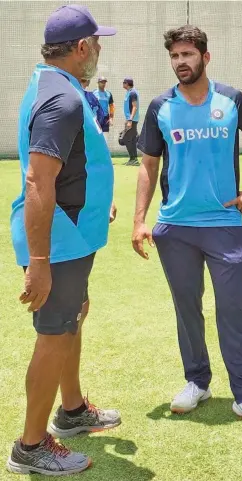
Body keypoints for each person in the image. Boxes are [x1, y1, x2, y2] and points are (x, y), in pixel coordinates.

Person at [132, 25, 242, 431]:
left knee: (233, 310)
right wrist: (139, 220)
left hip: (225, 225)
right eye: (175, 56)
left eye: (187, 55)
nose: (181, 62)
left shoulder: (230, 100)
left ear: (205, 58)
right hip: (175, 227)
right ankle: (197, 382)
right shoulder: (160, 106)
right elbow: (148, 165)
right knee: (187, 310)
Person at [8, 5, 120, 476]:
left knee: (72, 319)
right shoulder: (63, 98)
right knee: (54, 334)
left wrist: (99, 198)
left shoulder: (58, 86)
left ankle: (71, 410)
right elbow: (38, 181)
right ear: (80, 48)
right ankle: (29, 446)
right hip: (58, 241)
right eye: (96, 43)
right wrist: (39, 259)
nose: (98, 50)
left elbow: (75, 164)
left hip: (73, 233)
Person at [122, 77, 140, 166]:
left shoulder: (133, 92)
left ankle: (133, 159)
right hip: (130, 119)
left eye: (124, 82)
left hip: (132, 120)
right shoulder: (129, 92)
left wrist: (130, 120)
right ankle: (133, 159)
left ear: (127, 83)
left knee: (127, 139)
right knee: (131, 139)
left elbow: (134, 107)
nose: (123, 84)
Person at [93, 76, 115, 143]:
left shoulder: (108, 94)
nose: (103, 84)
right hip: (96, 118)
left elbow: (111, 106)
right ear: (98, 83)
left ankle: (104, 153)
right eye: (102, 82)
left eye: (104, 82)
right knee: (97, 137)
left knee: (105, 139)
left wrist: (111, 118)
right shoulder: (94, 93)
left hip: (106, 118)